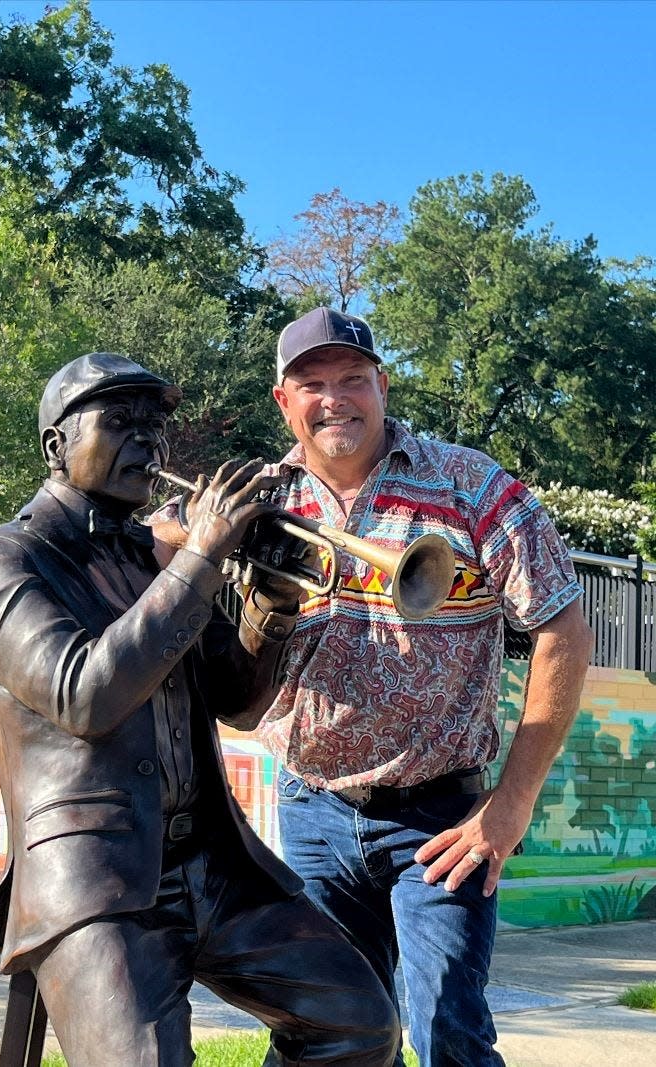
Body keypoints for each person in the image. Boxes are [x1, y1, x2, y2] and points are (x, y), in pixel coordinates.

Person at [150, 307, 593, 1067]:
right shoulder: (257, 492)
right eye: (312, 383)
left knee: (444, 1026)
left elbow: (564, 630)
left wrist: (512, 801)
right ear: (283, 401)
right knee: (324, 1029)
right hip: (313, 810)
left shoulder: (469, 482)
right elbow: (154, 544)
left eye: (353, 378)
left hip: (442, 817)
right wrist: (203, 552)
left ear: (382, 385)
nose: (335, 398)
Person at [0, 351, 398, 1067]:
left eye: (155, 425)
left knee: (360, 1022)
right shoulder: (1, 562)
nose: (148, 442)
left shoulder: (149, 561)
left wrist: (272, 603)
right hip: (96, 882)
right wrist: (200, 559)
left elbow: (238, 703)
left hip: (213, 865)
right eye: (120, 421)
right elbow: (84, 694)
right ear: (56, 445)